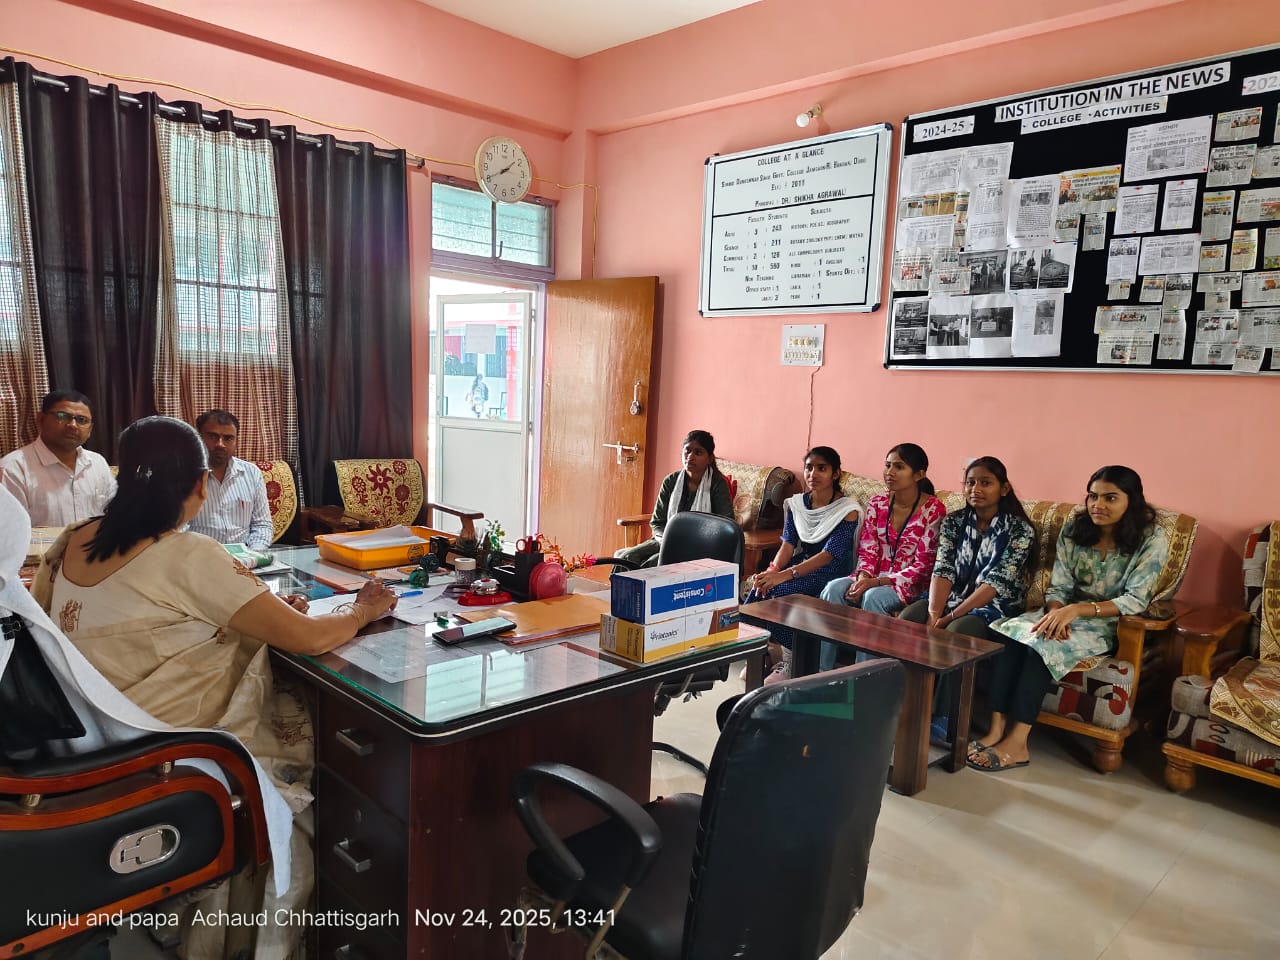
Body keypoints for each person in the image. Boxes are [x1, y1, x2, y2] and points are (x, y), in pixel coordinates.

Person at [33, 416, 398, 959]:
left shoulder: (78, 536)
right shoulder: (188, 555)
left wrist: (259, 617)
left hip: (92, 738)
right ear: (200, 485)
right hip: (169, 751)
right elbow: (310, 640)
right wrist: (363, 609)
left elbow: (152, 626)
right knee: (324, 763)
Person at [968, 465, 1169, 772]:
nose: (1097, 505)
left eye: (1110, 498)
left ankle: (1018, 742)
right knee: (1012, 635)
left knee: (1041, 646)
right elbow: (1059, 586)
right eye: (1093, 497)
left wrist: (1073, 611)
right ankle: (996, 729)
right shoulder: (1076, 529)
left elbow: (1135, 599)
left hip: (1109, 621)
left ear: (1132, 501)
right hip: (1061, 611)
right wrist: (1054, 613)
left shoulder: (1151, 538)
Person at [898, 457, 1036, 741]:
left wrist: (948, 618)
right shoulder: (953, 522)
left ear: (1004, 488)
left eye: (985, 483)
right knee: (909, 619)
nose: (976, 489)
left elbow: (995, 583)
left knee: (957, 632)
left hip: (995, 606)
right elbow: (943, 568)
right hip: (949, 597)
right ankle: (900, 701)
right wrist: (935, 612)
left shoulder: (1020, 530)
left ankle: (943, 717)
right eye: (970, 482)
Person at [819, 443, 945, 670]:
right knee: (833, 589)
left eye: (899, 467)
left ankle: (863, 676)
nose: (890, 472)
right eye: (887, 465)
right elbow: (868, 547)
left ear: (919, 474)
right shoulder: (878, 503)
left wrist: (874, 582)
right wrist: (862, 578)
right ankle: (822, 672)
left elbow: (924, 565)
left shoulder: (933, 509)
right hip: (870, 575)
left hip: (908, 583)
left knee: (874, 597)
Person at [745, 446, 859, 683]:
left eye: (822, 468)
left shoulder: (847, 510)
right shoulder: (798, 504)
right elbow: (787, 546)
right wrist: (771, 572)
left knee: (779, 593)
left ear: (836, 474)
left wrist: (783, 576)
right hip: (799, 564)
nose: (813, 474)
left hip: (829, 571)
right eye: (809, 468)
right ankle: (760, 655)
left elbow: (828, 555)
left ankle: (793, 660)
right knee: (759, 589)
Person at [614, 429, 734, 568]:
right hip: (664, 539)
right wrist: (669, 540)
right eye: (687, 451)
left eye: (698, 452)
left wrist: (688, 543)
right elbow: (657, 522)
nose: (690, 457)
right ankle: (616, 590)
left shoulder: (717, 484)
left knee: (652, 563)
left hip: (701, 544)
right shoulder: (671, 481)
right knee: (626, 558)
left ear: (710, 458)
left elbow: (726, 524)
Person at [1, 389, 116, 526]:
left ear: (90, 429)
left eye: (81, 420)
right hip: (41, 548)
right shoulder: (13, 468)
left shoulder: (97, 463)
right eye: (62, 416)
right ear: (40, 420)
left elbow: (114, 511)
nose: (73, 425)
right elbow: (11, 531)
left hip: (94, 547)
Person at [186, 409, 273, 551]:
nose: (220, 444)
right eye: (213, 436)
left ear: (236, 441)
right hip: (200, 559)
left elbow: (262, 525)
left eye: (228, 438)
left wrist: (253, 555)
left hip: (246, 559)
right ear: (198, 437)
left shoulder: (251, 473)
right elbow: (178, 531)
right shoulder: (183, 476)